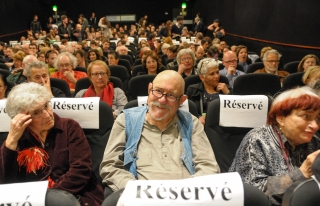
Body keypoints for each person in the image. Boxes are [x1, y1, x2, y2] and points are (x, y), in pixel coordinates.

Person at [100, 70, 220, 192]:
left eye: (171, 95)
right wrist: (137, 192)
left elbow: (208, 165)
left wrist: (188, 193)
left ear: (182, 101)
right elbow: (110, 166)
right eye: (158, 91)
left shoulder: (191, 123)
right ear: (149, 89)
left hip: (185, 197)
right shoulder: (126, 121)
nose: (162, 100)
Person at [0, 82, 104, 205]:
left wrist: (48, 198)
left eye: (46, 106)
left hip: (76, 195)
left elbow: (81, 170)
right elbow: (6, 182)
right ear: (22, 118)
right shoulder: (18, 139)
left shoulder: (69, 127)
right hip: (30, 200)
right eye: (36, 113)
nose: (47, 114)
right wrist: (11, 142)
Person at [229, 86, 320, 205]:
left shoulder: (314, 141)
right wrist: (302, 173)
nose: (315, 126)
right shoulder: (257, 140)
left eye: (318, 118)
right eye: (306, 116)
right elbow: (255, 194)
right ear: (281, 118)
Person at [186, 58, 230, 125]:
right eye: (212, 74)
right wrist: (198, 117)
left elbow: (235, 110)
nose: (217, 76)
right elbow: (187, 110)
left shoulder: (226, 88)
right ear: (202, 77)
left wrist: (228, 93)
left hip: (223, 124)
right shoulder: (193, 90)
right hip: (201, 125)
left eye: (217, 72)